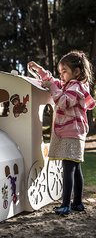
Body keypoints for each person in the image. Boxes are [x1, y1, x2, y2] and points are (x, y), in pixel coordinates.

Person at [28, 50, 95, 215]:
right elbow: (52, 81)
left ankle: (65, 204)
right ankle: (77, 203)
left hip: (72, 132)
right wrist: (39, 70)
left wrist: (52, 88)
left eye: (64, 71)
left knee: (68, 168)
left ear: (77, 72)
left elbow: (64, 102)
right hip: (72, 132)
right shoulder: (67, 85)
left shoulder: (77, 87)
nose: (61, 75)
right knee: (76, 167)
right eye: (60, 72)